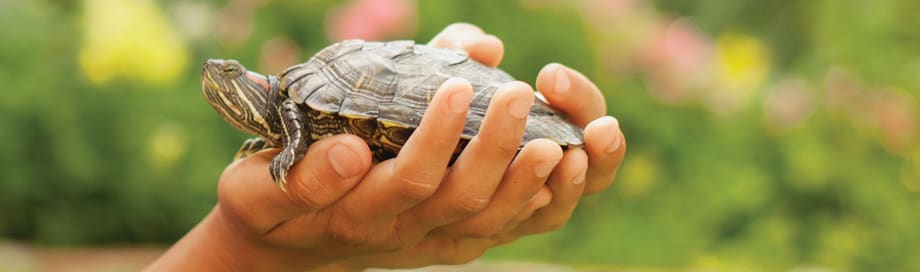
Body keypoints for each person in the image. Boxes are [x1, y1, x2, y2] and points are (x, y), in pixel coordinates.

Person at [144, 23, 627, 272]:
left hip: (440, 109)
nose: (219, 75)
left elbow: (296, 110)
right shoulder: (293, 119)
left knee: (531, 140)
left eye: (232, 74)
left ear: (258, 86)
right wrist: (247, 247)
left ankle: (547, 127)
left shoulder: (295, 107)